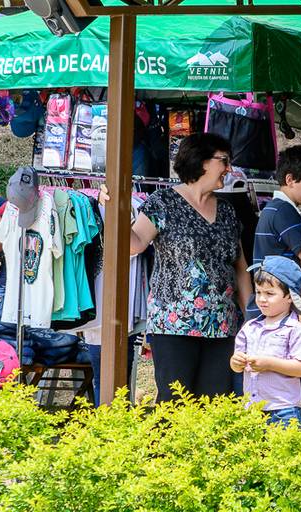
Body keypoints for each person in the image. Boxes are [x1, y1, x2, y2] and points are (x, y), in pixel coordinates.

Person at [103, 132, 252, 402]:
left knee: (216, 404)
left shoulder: (228, 211)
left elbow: (240, 268)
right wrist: (113, 210)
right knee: (174, 402)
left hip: (222, 325)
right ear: (202, 161)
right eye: (224, 161)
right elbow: (135, 244)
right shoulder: (163, 203)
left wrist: (251, 317)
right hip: (174, 324)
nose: (229, 169)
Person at [248, 145, 301, 425]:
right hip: (280, 310)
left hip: (269, 308)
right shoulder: (285, 212)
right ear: (291, 180)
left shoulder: (274, 209)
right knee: (299, 390)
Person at [231, 256, 301, 427]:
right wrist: (236, 362)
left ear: (290, 296)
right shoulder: (249, 327)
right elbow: (236, 366)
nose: (262, 299)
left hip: (284, 410)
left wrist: (269, 364)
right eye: (258, 292)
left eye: (269, 294)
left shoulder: (295, 329)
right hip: (252, 409)